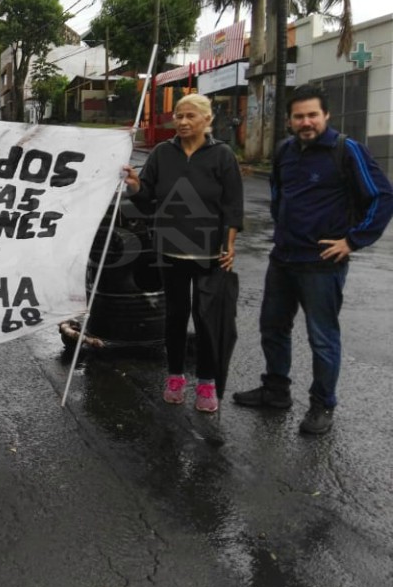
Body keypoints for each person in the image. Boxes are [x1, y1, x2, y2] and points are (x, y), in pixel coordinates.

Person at [233, 85, 393, 434]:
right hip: (283, 258)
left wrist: (352, 241)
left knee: (322, 338)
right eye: (298, 116)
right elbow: (278, 193)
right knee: (273, 328)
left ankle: (323, 405)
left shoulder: (346, 150)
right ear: (290, 120)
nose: (306, 122)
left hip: (321, 264)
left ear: (326, 116)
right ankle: (276, 391)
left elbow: (382, 197)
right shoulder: (285, 151)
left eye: (312, 115)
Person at [124, 93, 244, 413]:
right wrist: (135, 185)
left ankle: (206, 382)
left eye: (190, 116)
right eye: (178, 116)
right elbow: (147, 198)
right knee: (175, 317)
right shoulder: (163, 153)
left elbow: (233, 206)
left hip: (211, 254)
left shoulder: (222, 156)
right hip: (170, 250)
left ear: (208, 120)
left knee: (207, 320)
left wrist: (229, 245)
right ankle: (175, 376)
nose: (183, 122)